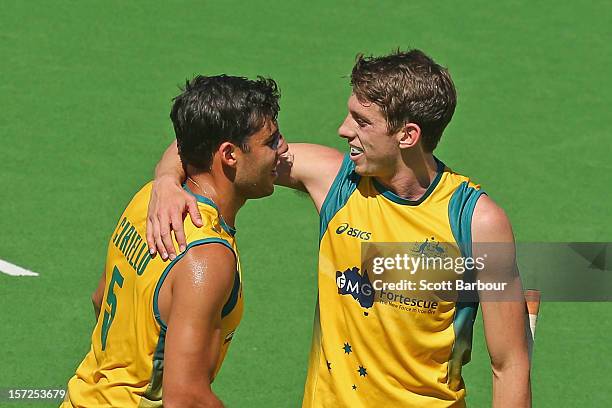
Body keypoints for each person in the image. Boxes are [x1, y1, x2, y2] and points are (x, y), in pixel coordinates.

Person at [148, 50, 531, 407]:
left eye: (362, 122)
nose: (343, 129)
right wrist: (166, 180)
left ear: (407, 135)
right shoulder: (335, 181)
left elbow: (509, 364)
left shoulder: (476, 222)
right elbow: (210, 142)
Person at [62, 74, 287, 408]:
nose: (283, 149)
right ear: (228, 154)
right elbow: (185, 399)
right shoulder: (207, 257)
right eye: (271, 141)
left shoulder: (150, 200)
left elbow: (100, 298)